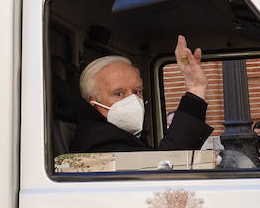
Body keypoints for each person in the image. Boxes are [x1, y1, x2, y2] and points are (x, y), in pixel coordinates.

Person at [70, 36, 211, 153]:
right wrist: (196, 88)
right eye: (119, 93)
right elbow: (168, 165)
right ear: (94, 104)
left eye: (137, 91)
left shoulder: (123, 136)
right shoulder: (101, 141)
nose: (133, 99)